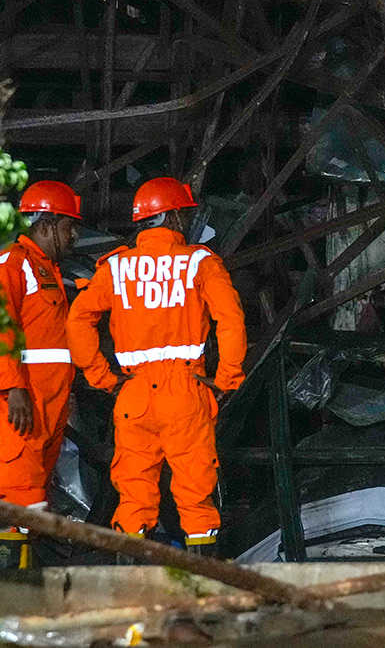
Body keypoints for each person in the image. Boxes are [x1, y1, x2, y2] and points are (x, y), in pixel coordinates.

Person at [67, 176, 247, 556]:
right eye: (184, 215)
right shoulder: (199, 262)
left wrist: (103, 378)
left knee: (132, 497)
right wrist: (225, 379)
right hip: (185, 391)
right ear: (174, 218)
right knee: (196, 499)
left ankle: (130, 600)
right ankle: (201, 596)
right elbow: (230, 319)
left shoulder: (115, 267)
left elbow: (78, 320)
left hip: (133, 394)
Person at [0, 181, 82, 569]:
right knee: (19, 495)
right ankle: (13, 598)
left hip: (47, 406)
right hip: (22, 404)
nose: (74, 235)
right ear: (46, 224)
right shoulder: (13, 261)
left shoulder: (46, 270)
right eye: (68, 226)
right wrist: (12, 386)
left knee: (32, 497)